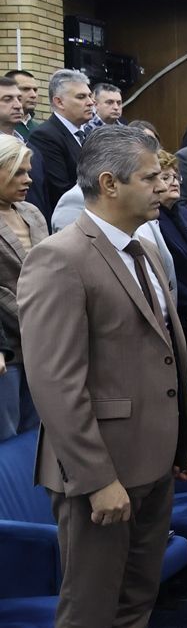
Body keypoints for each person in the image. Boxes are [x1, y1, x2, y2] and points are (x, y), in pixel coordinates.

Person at [18, 125, 187, 628]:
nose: (163, 186)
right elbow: (56, 383)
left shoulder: (142, 249)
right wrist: (97, 479)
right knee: (90, 612)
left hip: (154, 460)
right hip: (101, 471)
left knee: (136, 602)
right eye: (149, 177)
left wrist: (183, 440)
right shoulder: (60, 257)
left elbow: (165, 355)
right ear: (109, 183)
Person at [0, 135, 46, 440]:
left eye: (28, 172)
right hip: (8, 349)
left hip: (43, 345)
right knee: (6, 440)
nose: (28, 179)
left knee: (37, 437)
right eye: (18, 172)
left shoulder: (32, 212)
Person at [155, 149, 187, 374]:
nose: (174, 182)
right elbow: (165, 269)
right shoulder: (151, 220)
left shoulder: (184, 214)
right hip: (173, 313)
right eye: (166, 177)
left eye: (176, 176)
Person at [28, 68, 95, 213]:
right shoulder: (45, 136)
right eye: (81, 97)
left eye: (90, 96)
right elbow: (60, 190)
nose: (90, 102)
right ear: (59, 102)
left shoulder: (87, 134)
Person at [5, 69, 40, 141]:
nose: (33, 95)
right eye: (26, 89)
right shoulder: (3, 127)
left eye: (35, 90)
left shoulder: (41, 129)